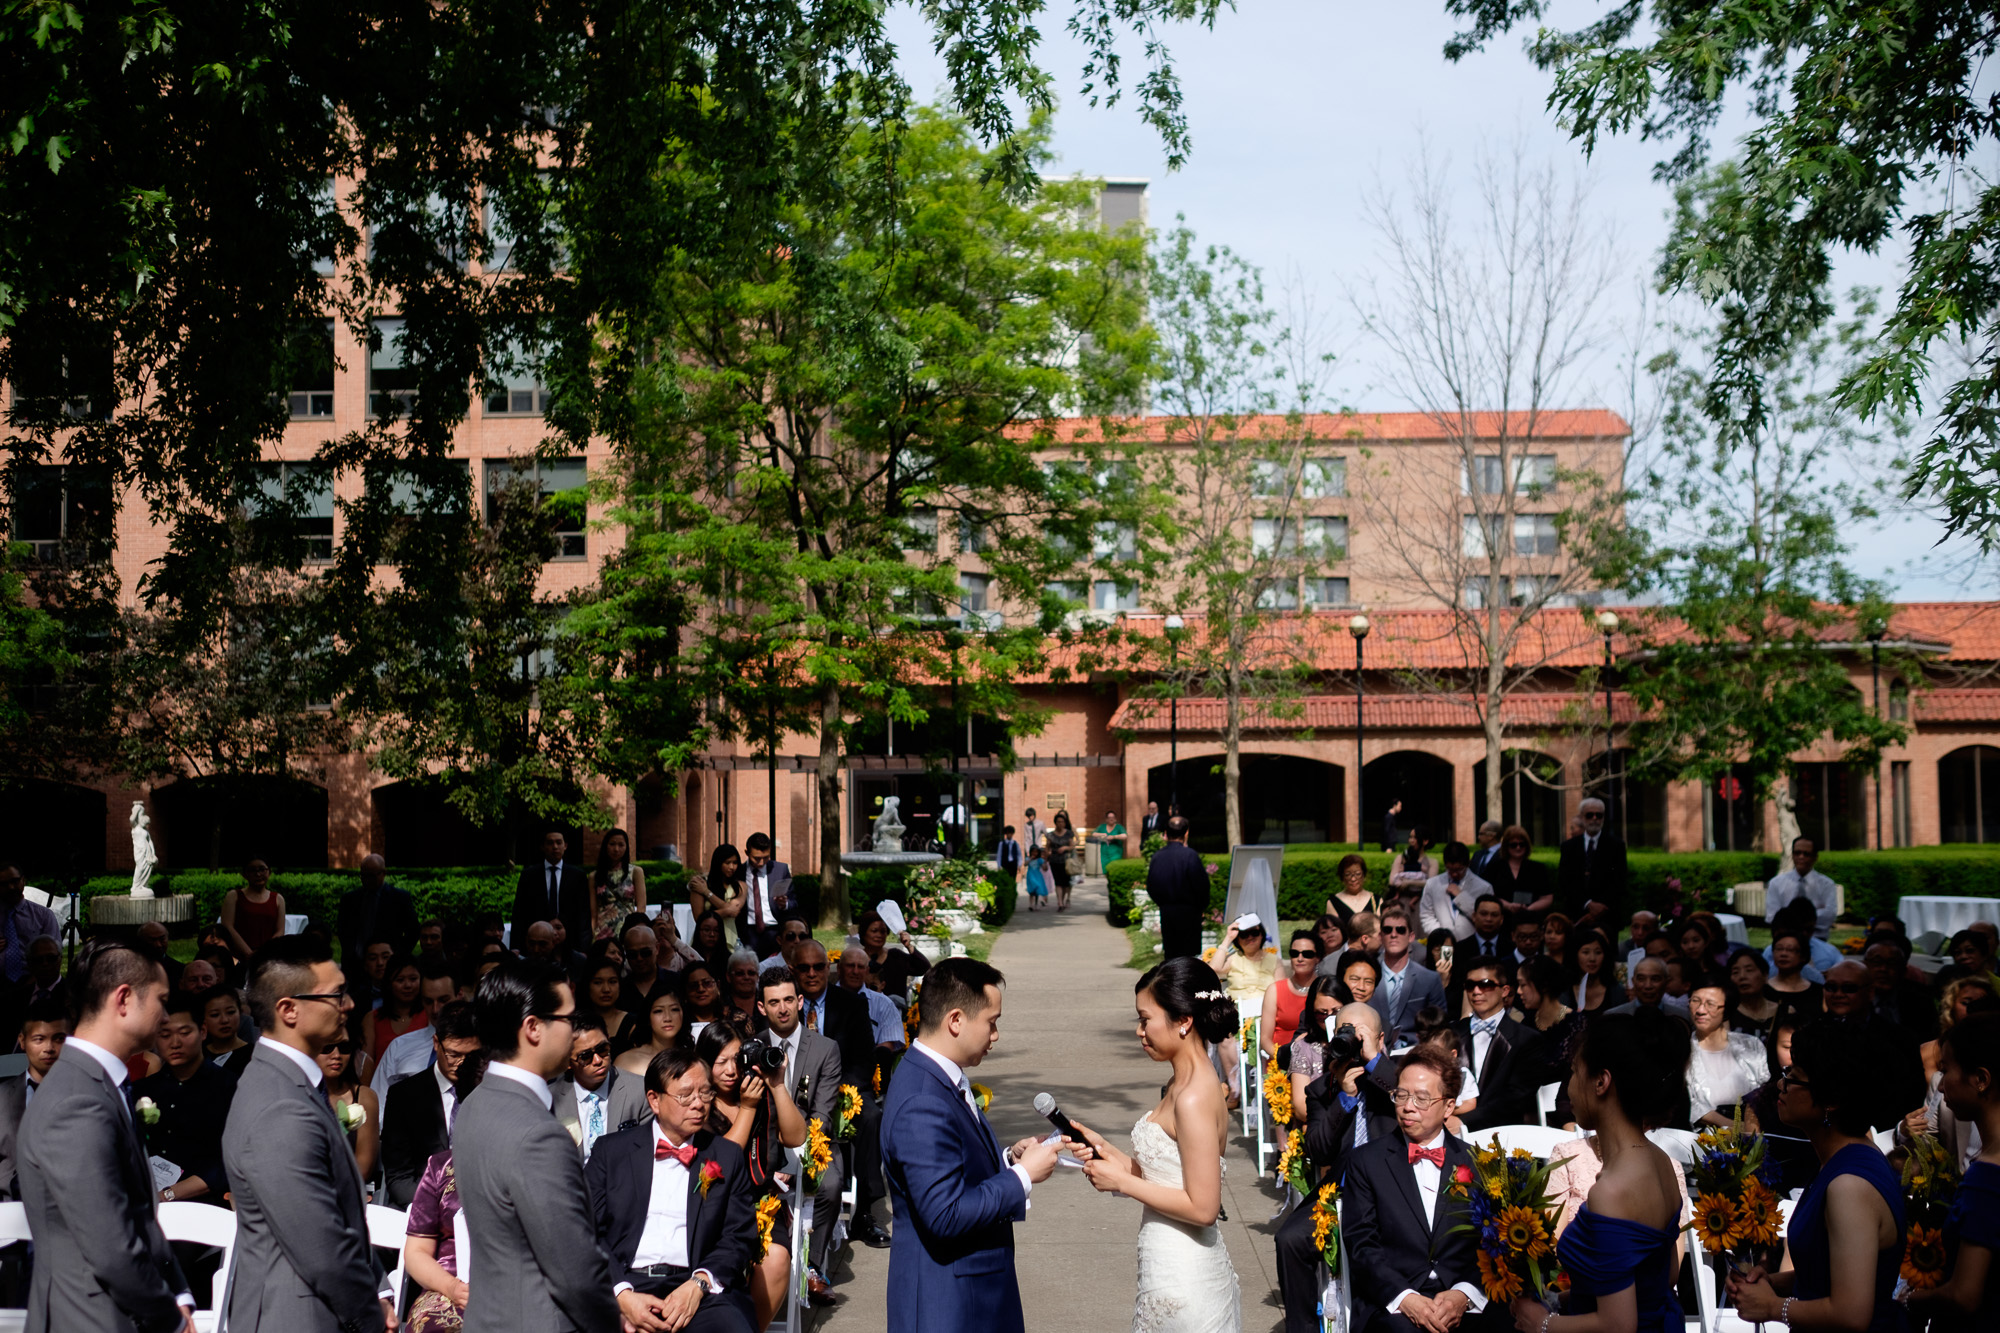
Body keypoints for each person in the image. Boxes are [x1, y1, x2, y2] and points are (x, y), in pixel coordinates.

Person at [17, 939, 194, 1333]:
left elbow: (138, 1213)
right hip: (90, 1319)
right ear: (124, 999)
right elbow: (111, 1244)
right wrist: (171, 1320)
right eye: (161, 1000)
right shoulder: (75, 1100)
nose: (166, 1016)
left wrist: (179, 1295)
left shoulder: (100, 1085)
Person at [222, 935, 394, 1333]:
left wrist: (379, 1291)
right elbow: (322, 1249)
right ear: (288, 1010)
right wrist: (368, 1314)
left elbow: (339, 1216)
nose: (348, 1005)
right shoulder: (280, 1105)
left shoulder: (292, 1084)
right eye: (335, 995)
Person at [1063, 955, 1241, 1332]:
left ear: (1184, 1020)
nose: (1139, 1031)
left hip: (1185, 1279)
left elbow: (1204, 1206)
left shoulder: (1192, 1096)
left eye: (1145, 1019)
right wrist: (1108, 1153)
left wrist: (1122, 1182)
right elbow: (1169, 1176)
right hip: (1168, 1268)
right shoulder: (1185, 1082)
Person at [881, 958, 1055, 1333]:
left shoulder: (933, 1075)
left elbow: (951, 1164)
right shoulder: (923, 1100)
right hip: (949, 1303)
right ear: (956, 1021)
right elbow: (945, 1213)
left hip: (966, 1293)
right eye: (992, 1022)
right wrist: (1023, 1177)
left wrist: (1008, 1160)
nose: (996, 1035)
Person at [454, 958, 620, 1331]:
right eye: (569, 1020)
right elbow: (576, 1272)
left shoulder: (475, 1103)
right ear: (532, 1027)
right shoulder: (539, 1135)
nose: (575, 1033)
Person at [1727, 1023, 1921, 1333]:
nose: (1781, 1085)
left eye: (1795, 1077)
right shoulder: (1846, 1160)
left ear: (1832, 1099)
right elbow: (1834, 1272)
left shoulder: (1849, 1184)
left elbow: (1850, 1314)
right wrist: (1771, 1283)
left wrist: (1772, 1307)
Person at [1509, 1011, 1690, 1333]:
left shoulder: (1613, 1190)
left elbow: (1618, 1324)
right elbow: (1653, 1279)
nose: (1569, 1088)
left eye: (1575, 1072)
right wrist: (1561, 1300)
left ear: (1601, 1082)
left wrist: (1542, 1323)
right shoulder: (1662, 1162)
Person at [583, 1048, 760, 1333]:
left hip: (697, 1287)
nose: (699, 1104)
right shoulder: (611, 1152)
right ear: (654, 1100)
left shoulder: (725, 1155)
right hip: (626, 1282)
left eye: (705, 1093)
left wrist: (700, 1283)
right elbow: (586, 1229)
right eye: (686, 1095)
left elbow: (739, 1236)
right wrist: (622, 1294)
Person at [1341, 1045, 1497, 1333]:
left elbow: (1491, 1244)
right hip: (1394, 1301)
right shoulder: (1367, 1161)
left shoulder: (1477, 1163)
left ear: (1449, 1106)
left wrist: (1463, 1293)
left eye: (1422, 1098)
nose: (1408, 1106)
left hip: (1462, 1295)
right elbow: (1362, 1245)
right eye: (1401, 1095)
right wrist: (1406, 1298)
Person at [1277, 1001, 1395, 1332]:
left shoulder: (1398, 1079)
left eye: (1361, 1034)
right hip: (1339, 1191)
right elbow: (1319, 1151)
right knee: (1289, 1240)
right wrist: (1343, 1099)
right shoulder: (1322, 1090)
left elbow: (1406, 1098)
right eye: (1346, 1032)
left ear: (1380, 1038)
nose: (1353, 1042)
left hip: (1391, 1188)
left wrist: (1374, 1061)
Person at [698, 1018, 807, 1326]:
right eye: (720, 1062)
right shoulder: (700, 1102)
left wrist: (777, 1085)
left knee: (775, 1258)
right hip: (713, 1209)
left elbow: (796, 1138)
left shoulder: (759, 1090)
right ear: (705, 1064)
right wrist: (746, 1109)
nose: (731, 1070)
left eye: (736, 1059)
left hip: (761, 1204)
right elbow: (719, 1164)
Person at [753, 963, 843, 1301]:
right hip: (762, 1142)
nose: (783, 1008)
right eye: (774, 1002)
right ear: (762, 1007)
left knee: (830, 1184)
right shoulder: (752, 1047)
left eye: (789, 999)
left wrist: (796, 1160)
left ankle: (812, 1267)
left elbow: (822, 1114)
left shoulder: (825, 1049)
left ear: (801, 1001)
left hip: (811, 1141)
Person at [1907, 1012, 2000, 1327]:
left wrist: (1906, 1300)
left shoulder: (1987, 1178)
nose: (1942, 1087)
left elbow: (1964, 1295)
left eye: (1946, 1071)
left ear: (1981, 1079)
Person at [382, 1001, 483, 1209]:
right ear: (436, 1043)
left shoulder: (489, 1094)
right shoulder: (404, 1096)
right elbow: (399, 1179)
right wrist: (442, 1206)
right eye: (453, 1055)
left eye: (471, 1056)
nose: (461, 1064)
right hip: (421, 1207)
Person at [1451, 957, 1534, 1130]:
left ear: (1504, 991)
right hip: (1451, 1134)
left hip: (1503, 1136)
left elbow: (1515, 1099)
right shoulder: (1451, 1033)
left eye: (1485, 984)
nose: (1476, 991)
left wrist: (1465, 1122)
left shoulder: (1526, 1039)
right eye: (1469, 985)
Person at [0, 994, 64, 1200]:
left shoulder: (86, 1096)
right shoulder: (2, 1098)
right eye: (39, 1039)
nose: (49, 1048)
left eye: (58, 1039)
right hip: (9, 1212)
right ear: (22, 1041)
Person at [370, 963, 465, 1100]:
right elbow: (379, 1100)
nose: (435, 1009)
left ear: (459, 995)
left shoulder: (477, 1047)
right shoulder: (399, 1046)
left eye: (443, 1000)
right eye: (428, 1001)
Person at [404, 1145, 470, 1333]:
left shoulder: (535, 1164)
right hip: (448, 1283)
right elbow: (416, 1252)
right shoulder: (442, 1167)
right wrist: (452, 1287)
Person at [1685, 978, 1769, 1126]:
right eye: (1695, 1001)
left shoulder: (1751, 1045)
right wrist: (1735, 1128)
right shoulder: (1684, 1049)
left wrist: (1751, 1132)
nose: (1700, 1010)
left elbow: (1762, 1093)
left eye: (1710, 1004)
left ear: (1727, 1009)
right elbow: (1692, 1104)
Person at [1369, 904, 1446, 1045]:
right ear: (1381, 936)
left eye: (1400, 930)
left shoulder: (1429, 979)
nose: (1393, 934)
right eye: (1387, 930)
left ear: (1411, 936)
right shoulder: (1368, 978)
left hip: (1415, 1054)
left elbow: (1439, 1029)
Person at [509, 829, 592, 958]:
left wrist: (584, 948)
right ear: (543, 846)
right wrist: (515, 946)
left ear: (565, 846)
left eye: (559, 842)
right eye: (550, 843)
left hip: (570, 943)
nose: (555, 847)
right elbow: (519, 912)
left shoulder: (577, 876)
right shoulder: (529, 875)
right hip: (536, 944)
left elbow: (584, 914)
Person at [1148, 815, 1211, 960]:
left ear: (1166, 833)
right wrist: (1201, 907)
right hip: (1190, 913)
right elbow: (1201, 886)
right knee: (1188, 957)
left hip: (1168, 912)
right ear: (1186, 833)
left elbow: (1151, 886)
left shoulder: (1157, 857)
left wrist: (1163, 903)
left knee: (1171, 956)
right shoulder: (1190, 855)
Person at [338, 854, 418, 968]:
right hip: (355, 962)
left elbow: (413, 931)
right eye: (363, 875)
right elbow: (343, 929)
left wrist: (398, 955)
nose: (367, 880)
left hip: (386, 964)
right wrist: (350, 950)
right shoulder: (350, 899)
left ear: (383, 873)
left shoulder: (399, 898)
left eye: (371, 876)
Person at [1555, 797, 1624, 928]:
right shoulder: (1568, 847)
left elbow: (1619, 881)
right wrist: (1587, 904)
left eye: (1599, 815)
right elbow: (1564, 880)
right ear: (1581, 817)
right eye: (1589, 815)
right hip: (1576, 914)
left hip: (1606, 916)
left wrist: (1599, 908)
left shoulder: (1616, 846)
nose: (1594, 819)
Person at [1764, 836, 1840, 939]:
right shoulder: (1776, 883)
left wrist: (1787, 917)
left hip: (1817, 939)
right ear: (1792, 855)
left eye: (1806, 854)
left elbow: (1829, 916)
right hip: (1785, 940)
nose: (1801, 857)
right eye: (1797, 853)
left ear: (1815, 857)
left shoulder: (1827, 885)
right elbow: (1771, 917)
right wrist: (1813, 916)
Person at [1261, 930, 1321, 1058]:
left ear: (1318, 958)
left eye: (1307, 954)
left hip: (1318, 1060)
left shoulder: (1325, 989)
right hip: (1281, 1061)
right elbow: (1265, 1039)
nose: (1300, 958)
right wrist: (1283, 1058)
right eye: (1294, 954)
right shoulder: (1275, 990)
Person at [613, 983, 692, 1078]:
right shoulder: (626, 1060)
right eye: (658, 1011)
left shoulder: (693, 1057)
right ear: (648, 1017)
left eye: (674, 1009)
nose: (667, 1018)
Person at [0, 864, 59, 988]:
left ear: (23, 880)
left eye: (15, 881)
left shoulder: (43, 916)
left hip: (34, 983)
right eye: (4, 884)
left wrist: (31, 986)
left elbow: (54, 958)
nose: (11, 887)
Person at [737, 832, 795, 955]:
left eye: (766, 857)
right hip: (748, 931)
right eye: (756, 858)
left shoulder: (780, 870)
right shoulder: (739, 873)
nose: (761, 862)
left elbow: (794, 902)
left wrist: (785, 904)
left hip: (775, 930)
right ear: (747, 853)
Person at [1419, 842, 1489, 942]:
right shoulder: (1432, 884)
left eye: (1459, 869)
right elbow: (1426, 915)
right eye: (1450, 870)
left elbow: (1484, 918)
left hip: (1472, 943)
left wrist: (1461, 896)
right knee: (1445, 959)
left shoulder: (1483, 887)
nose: (1454, 874)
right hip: (1443, 943)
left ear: (1468, 863)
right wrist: (1441, 935)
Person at [591, 828, 647, 941]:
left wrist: (636, 929)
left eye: (621, 845)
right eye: (612, 844)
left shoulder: (635, 872)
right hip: (603, 931)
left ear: (626, 847)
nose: (616, 849)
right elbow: (593, 912)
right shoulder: (594, 876)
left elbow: (641, 907)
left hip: (628, 929)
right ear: (605, 846)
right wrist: (593, 932)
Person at [369, 954, 426, 1060]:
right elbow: (366, 1061)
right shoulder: (372, 1019)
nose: (407, 985)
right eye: (400, 980)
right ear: (389, 984)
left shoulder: (430, 1015)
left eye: (413, 979)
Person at [1485, 825, 1551, 915]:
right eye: (1513, 845)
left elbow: (1547, 897)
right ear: (1506, 847)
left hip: (1531, 919)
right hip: (1501, 918)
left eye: (1522, 844)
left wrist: (1529, 909)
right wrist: (1508, 906)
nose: (1518, 847)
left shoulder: (1538, 868)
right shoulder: (1494, 868)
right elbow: (1487, 894)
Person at [1764, 928, 1824, 1016]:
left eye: (1790, 950)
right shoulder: (1763, 990)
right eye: (1779, 949)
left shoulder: (1818, 992)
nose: (1783, 954)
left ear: (1803, 956)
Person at [577, 951, 630, 1050]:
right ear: (587, 985)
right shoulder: (575, 1023)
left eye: (612, 982)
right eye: (598, 982)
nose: (606, 989)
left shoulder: (632, 1024)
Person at [687, 844, 746, 933]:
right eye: (727, 863)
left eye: (735, 863)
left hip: (731, 936)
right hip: (707, 937)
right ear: (718, 863)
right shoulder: (701, 884)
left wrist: (706, 892)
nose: (732, 867)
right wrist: (725, 912)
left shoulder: (740, 886)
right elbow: (699, 919)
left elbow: (734, 910)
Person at [1723, 947, 1780, 1035]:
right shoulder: (1725, 1013)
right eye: (1735, 972)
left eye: (1749, 970)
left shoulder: (1784, 1012)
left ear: (1765, 976)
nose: (1742, 976)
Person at [1570, 928, 1626, 1014]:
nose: (1592, 958)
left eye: (1598, 952)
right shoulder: (1564, 993)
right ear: (1575, 955)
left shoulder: (1616, 992)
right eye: (1585, 952)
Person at [197, 983, 252, 1071]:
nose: (224, 1020)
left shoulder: (253, 1055)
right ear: (203, 1019)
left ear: (240, 1013)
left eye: (230, 1012)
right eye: (215, 1015)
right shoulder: (197, 1054)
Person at [1326, 853, 1378, 932]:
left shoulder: (1376, 900)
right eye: (1348, 875)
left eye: (1357, 874)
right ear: (1342, 877)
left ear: (1364, 875)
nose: (1353, 879)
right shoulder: (1333, 902)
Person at [1045, 810, 1078, 911]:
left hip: (1066, 861)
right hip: (1054, 861)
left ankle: (1063, 900)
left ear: (1065, 823)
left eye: (1062, 822)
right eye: (1058, 822)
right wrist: (1046, 858)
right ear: (1055, 823)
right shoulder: (1050, 835)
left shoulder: (1068, 834)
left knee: (1065, 883)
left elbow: (1072, 846)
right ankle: (1059, 903)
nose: (1060, 824)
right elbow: (1047, 847)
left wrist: (1065, 848)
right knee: (1058, 882)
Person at [1388, 827, 1436, 893]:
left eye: (1415, 838)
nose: (1411, 841)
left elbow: (1431, 884)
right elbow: (1392, 881)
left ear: (1425, 841)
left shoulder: (1432, 862)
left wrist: (1409, 882)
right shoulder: (1400, 858)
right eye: (1410, 837)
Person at [1463, 893, 1508, 960]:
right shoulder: (1460, 949)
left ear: (1501, 919)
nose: (1488, 919)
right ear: (1474, 916)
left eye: (1494, 915)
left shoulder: (1511, 949)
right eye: (1483, 914)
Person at [1024, 844, 1051, 910]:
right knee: (1031, 891)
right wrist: (1030, 858)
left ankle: (1035, 904)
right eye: (1033, 852)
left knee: (1037, 889)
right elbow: (1025, 864)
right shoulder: (1028, 859)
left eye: (1036, 852)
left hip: (1037, 876)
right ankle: (1031, 905)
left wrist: (1045, 862)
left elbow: (1045, 868)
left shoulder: (1039, 860)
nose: (1034, 853)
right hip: (1030, 876)